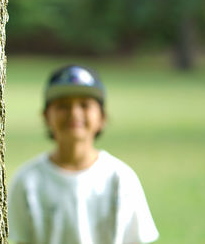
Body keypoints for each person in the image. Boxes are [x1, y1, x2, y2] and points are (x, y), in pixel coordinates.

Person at [8, 65, 159, 244]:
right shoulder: (27, 180)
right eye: (63, 106)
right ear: (46, 116)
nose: (74, 113)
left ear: (102, 117)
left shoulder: (120, 177)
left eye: (85, 105)